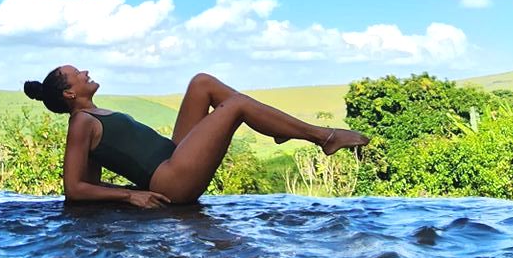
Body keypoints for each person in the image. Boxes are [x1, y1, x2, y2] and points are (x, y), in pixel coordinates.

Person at [21, 65, 368, 208]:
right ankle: (323, 137)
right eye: (76, 74)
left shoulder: (93, 115)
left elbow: (90, 179)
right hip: (173, 179)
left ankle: (277, 128)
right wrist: (132, 197)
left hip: (174, 156)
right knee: (237, 106)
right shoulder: (81, 122)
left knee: (201, 83)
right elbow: (74, 187)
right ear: (69, 94)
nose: (84, 71)